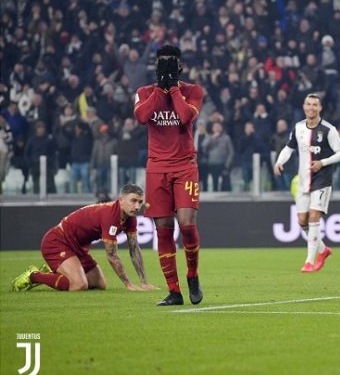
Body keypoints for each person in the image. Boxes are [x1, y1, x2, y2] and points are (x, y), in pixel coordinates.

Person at [133, 45, 204, 306]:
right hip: (156, 168)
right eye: (162, 63)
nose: (166, 67)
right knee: (163, 232)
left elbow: (185, 117)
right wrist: (161, 89)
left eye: (170, 63)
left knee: (187, 225)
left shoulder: (192, 91)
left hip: (185, 165)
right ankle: (174, 291)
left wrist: (173, 88)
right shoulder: (144, 93)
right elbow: (142, 116)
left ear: (180, 66)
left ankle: (193, 276)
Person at [10, 184, 159, 292]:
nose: (137, 206)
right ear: (121, 200)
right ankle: (34, 276)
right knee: (79, 285)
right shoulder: (109, 215)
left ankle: (60, 270)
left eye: (140, 202)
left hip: (78, 248)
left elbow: (134, 249)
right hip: (58, 242)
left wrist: (144, 282)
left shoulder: (130, 217)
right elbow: (112, 255)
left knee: (99, 284)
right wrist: (128, 284)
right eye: (133, 201)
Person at [273, 93, 340, 272]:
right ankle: (323, 250)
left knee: (314, 216)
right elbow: (289, 148)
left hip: (322, 179)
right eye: (309, 104)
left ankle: (309, 261)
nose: (311, 107)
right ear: (304, 107)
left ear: (320, 108)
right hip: (303, 179)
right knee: (302, 221)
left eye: (315, 105)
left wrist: (323, 162)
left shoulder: (329, 130)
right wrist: (279, 162)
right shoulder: (298, 128)